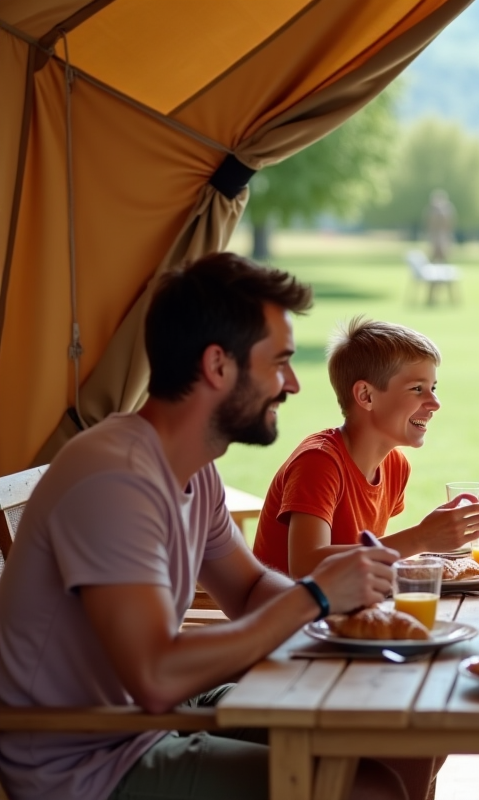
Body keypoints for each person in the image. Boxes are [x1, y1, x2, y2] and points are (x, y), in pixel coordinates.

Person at [0, 253, 431, 800]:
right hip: (89, 760)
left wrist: (347, 617)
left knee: (397, 738)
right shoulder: (114, 480)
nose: (293, 384)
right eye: (279, 362)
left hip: (151, 718)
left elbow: (249, 588)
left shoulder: (191, 469)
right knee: (369, 789)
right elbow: (155, 675)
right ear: (218, 366)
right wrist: (317, 597)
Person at [252, 316, 479, 578]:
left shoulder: (395, 465)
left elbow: (362, 560)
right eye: (417, 389)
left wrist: (430, 539)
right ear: (366, 396)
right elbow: (306, 566)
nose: (435, 403)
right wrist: (421, 538)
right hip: (287, 615)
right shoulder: (318, 462)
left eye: (433, 388)